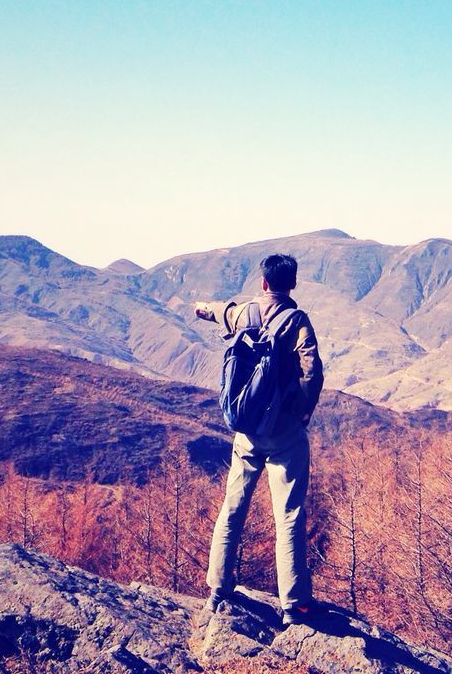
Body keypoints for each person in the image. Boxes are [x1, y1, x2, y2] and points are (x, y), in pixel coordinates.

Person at [194, 253, 324, 626]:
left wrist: (202, 309)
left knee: (233, 507)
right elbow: (311, 372)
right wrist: (302, 413)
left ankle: (218, 590)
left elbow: (222, 311)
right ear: (292, 285)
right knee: (289, 515)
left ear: (263, 283)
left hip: (247, 432)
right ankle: (294, 606)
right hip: (284, 435)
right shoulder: (296, 321)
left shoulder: (246, 314)